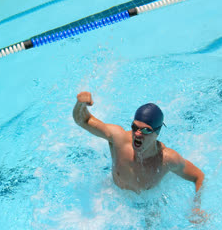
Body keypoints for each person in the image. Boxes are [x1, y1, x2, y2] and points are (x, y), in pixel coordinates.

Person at [73, 91, 206, 221]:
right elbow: (83, 120)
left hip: (147, 206)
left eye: (146, 130)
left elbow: (198, 176)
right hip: (112, 196)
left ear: (157, 133)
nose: (137, 134)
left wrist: (196, 207)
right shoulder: (119, 139)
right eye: (135, 127)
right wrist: (80, 104)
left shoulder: (167, 159)